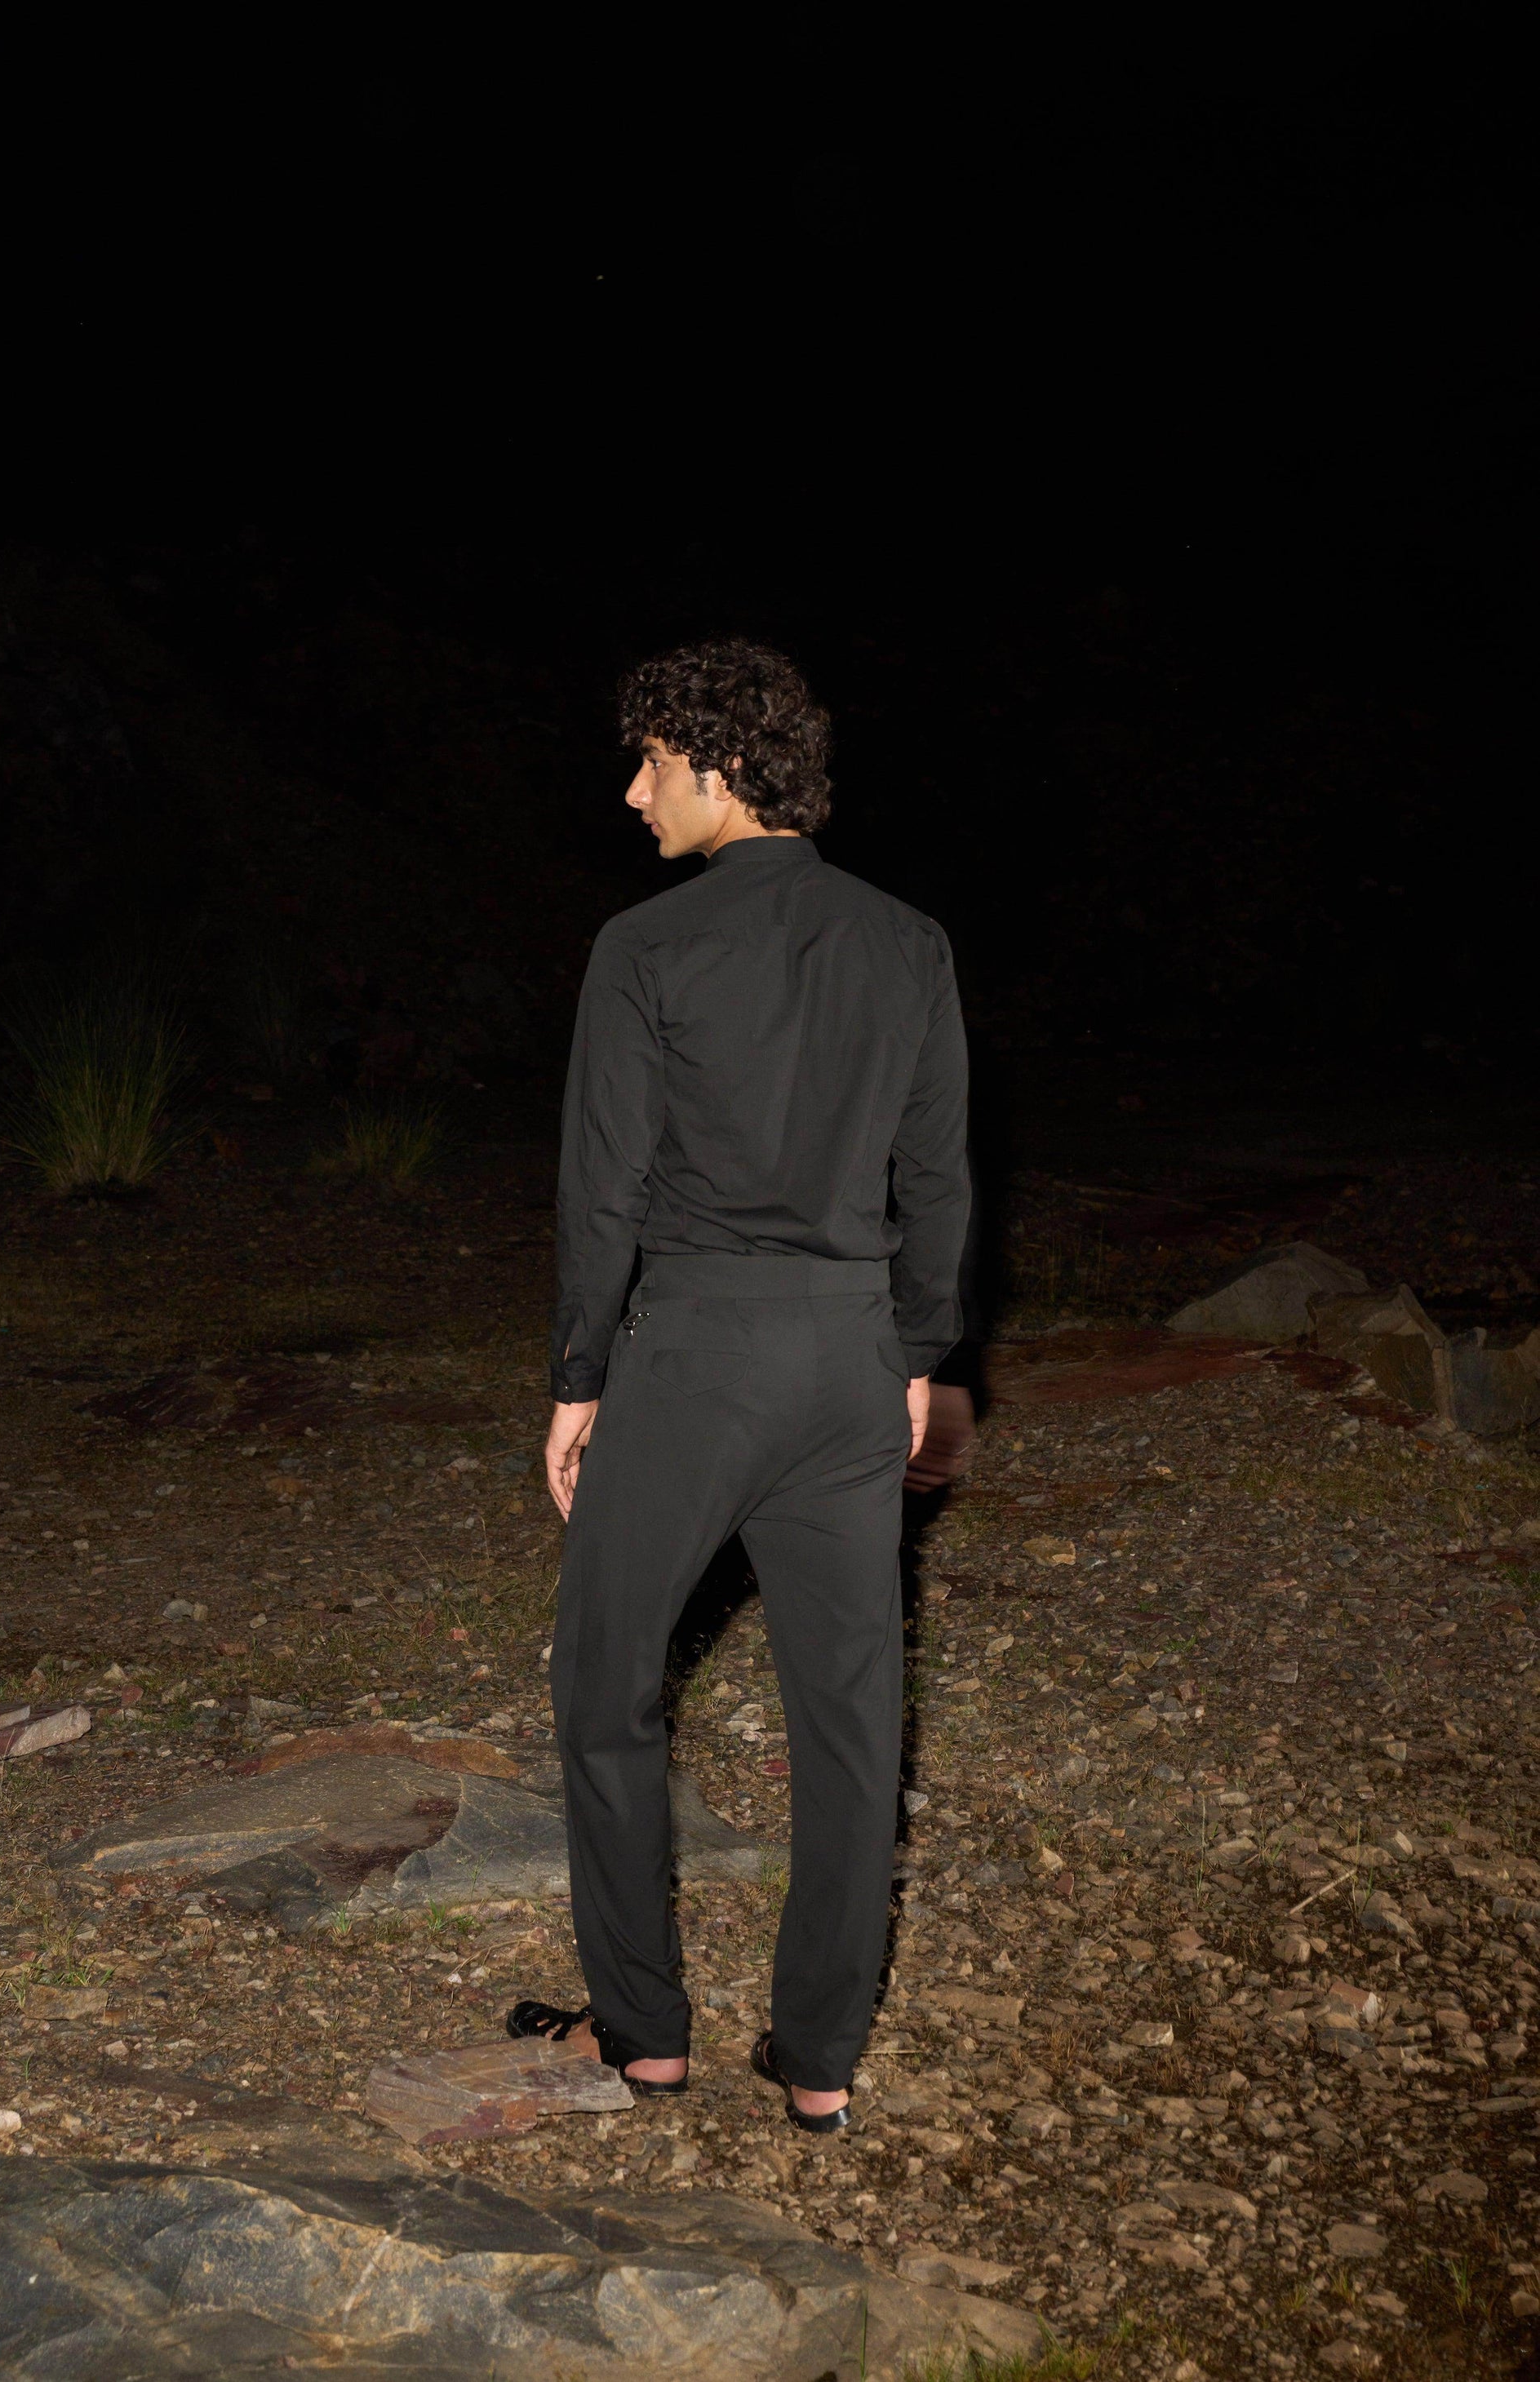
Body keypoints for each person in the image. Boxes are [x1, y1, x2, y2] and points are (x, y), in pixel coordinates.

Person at [511, 638, 970, 2131]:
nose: (632, 792)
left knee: (603, 1686)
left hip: (698, 1357)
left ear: (715, 770)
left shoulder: (646, 947)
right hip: (847, 1359)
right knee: (849, 1713)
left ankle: (645, 2030)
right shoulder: (907, 940)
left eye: (650, 763)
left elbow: (603, 1189)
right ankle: (819, 2060)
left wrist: (579, 1377)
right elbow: (937, 1176)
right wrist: (917, 1355)